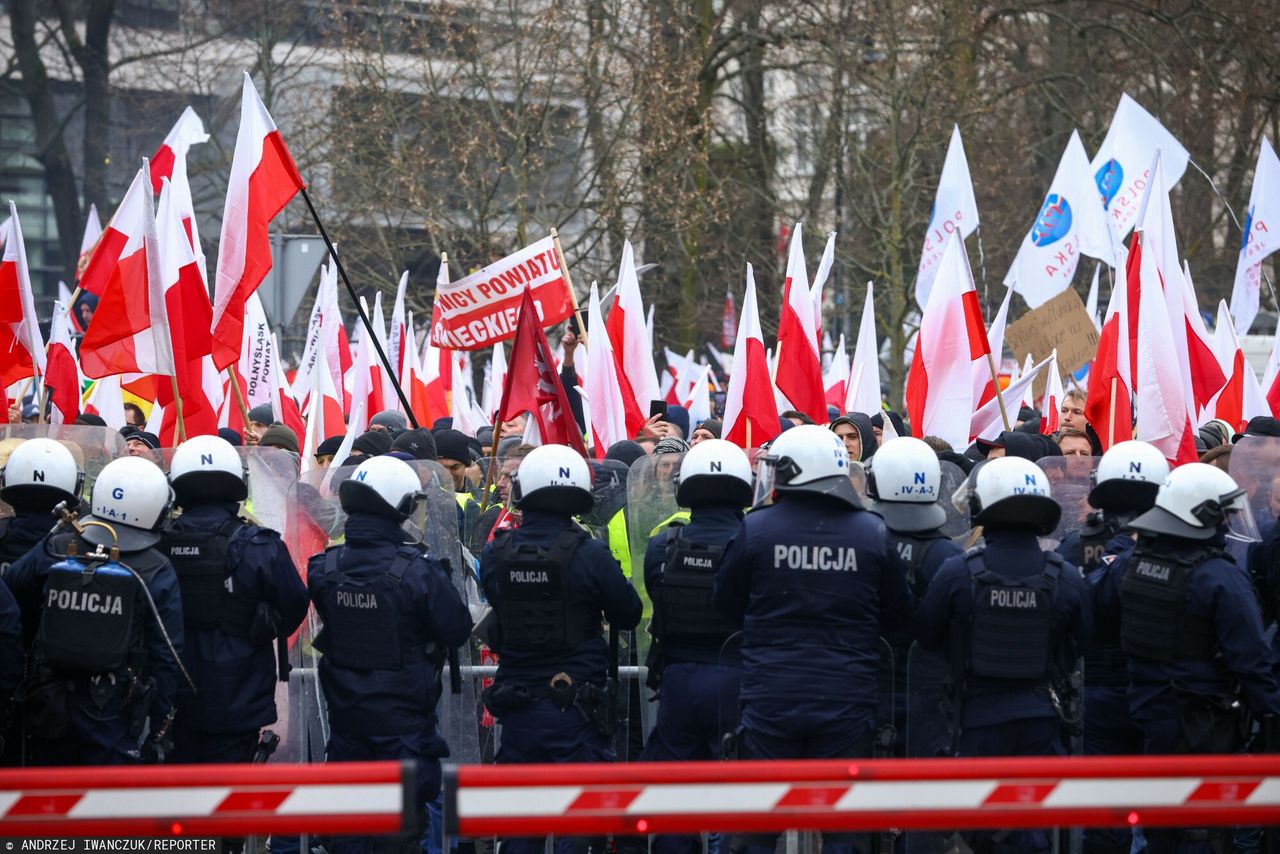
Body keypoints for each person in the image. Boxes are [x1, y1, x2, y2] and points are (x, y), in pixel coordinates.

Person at [713, 424, 910, 854]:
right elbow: (898, 613)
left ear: (797, 471)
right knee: (845, 832)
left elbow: (725, 603)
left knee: (754, 828)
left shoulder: (756, 529)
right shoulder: (872, 532)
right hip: (847, 700)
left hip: (769, 699)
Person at [1092, 463, 1280, 854]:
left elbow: (1097, 618)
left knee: (1159, 830)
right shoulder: (1219, 577)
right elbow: (1253, 661)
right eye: (1224, 515)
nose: (1230, 523)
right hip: (1204, 728)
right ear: (1201, 516)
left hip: (1141, 712)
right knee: (1202, 834)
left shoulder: (1130, 562)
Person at [917, 456, 1090, 854]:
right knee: (1032, 821)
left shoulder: (958, 572)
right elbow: (1082, 642)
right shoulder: (1063, 576)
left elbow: (926, 635)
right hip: (1042, 718)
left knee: (981, 822)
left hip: (977, 717)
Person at [478, 444, 642, 854]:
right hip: (576, 707)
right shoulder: (588, 553)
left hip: (517, 704)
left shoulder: (496, 552)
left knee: (521, 821)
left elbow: (498, 604)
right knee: (580, 820)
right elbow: (628, 612)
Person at [308, 455, 473, 853]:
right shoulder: (417, 571)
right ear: (398, 506)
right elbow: (457, 627)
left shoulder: (323, 567)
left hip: (345, 725)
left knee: (348, 826)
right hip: (405, 728)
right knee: (397, 833)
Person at [6, 456, 186, 765]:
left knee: (47, 800)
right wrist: (161, 727)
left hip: (50, 702)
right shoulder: (156, 568)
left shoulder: (60, 545)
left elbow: (12, 585)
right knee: (109, 807)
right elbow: (168, 654)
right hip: (114, 711)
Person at [163, 435, 309, 764]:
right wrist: (259, 626)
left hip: (173, 692)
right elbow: (294, 603)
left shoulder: (159, 542)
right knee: (231, 798)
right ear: (237, 483)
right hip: (239, 691)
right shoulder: (259, 544)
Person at [641, 440, 752, 854]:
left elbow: (656, 592)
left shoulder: (663, 545)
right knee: (737, 794)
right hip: (738, 679)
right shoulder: (753, 543)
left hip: (679, 681)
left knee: (676, 795)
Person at [1056, 441, 1166, 854]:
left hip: (1102, 687)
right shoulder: (1175, 544)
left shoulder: (1076, 546)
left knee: (1107, 814)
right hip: (1148, 686)